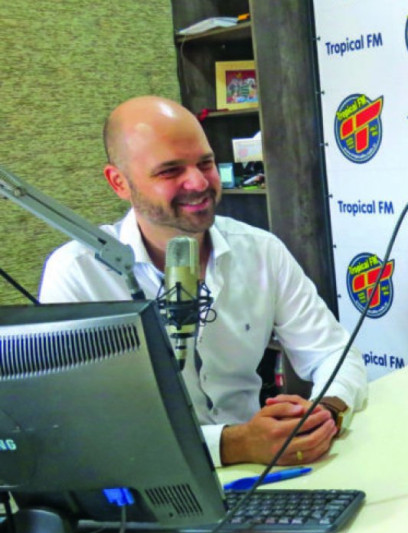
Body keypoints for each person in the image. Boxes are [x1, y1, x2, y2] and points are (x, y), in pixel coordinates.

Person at [39, 96, 367, 468]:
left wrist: (326, 409)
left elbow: (333, 353)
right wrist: (234, 444)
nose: (198, 182)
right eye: (169, 171)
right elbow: (84, 428)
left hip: (264, 471)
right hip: (151, 481)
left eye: (205, 163)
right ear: (119, 182)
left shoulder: (261, 250)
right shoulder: (79, 274)